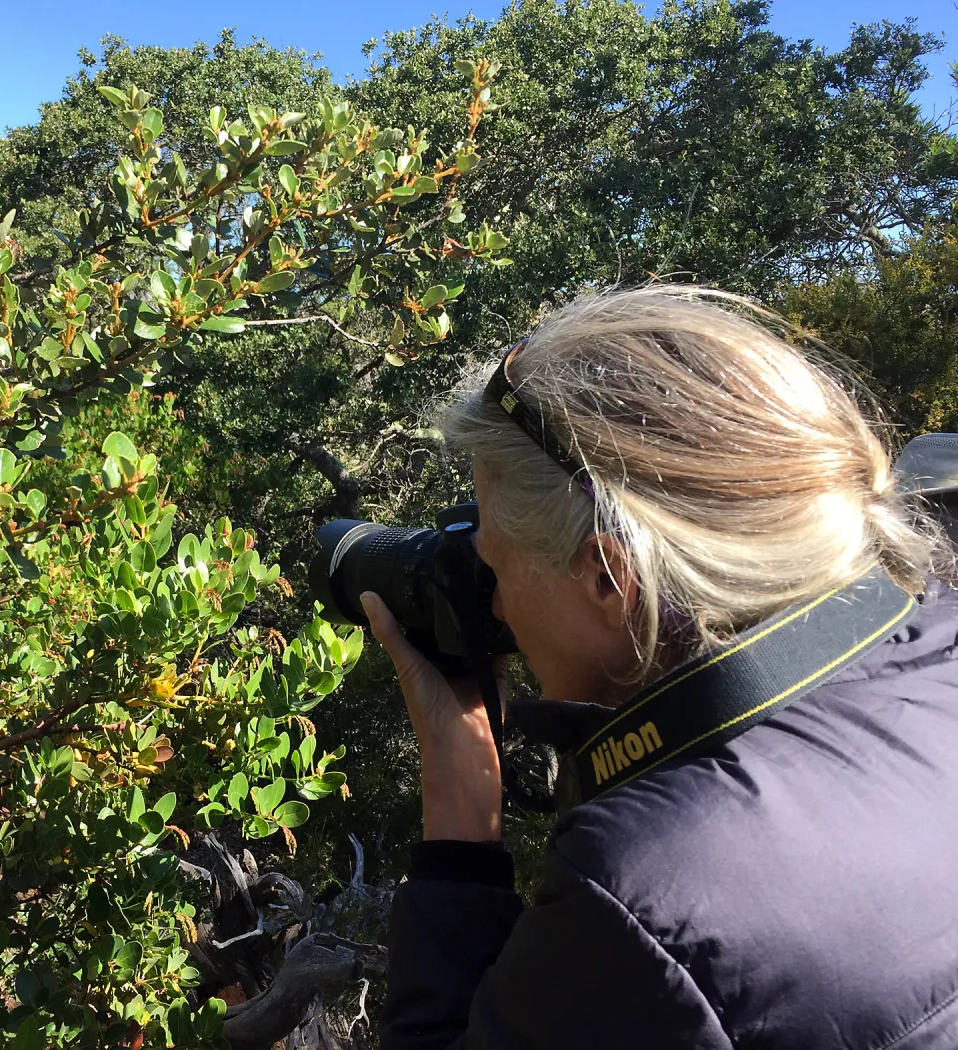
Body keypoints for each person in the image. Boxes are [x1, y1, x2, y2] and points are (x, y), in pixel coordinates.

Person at [366, 286, 958, 1049]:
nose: (498, 608)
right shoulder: (937, 632)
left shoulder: (644, 897)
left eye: (497, 566)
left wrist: (456, 816)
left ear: (609, 579)